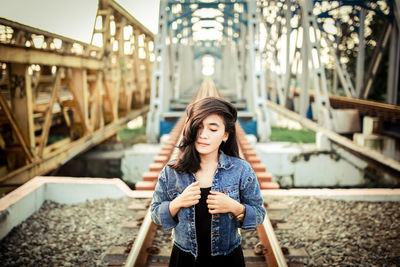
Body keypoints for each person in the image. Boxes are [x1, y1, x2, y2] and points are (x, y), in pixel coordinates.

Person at [150, 96, 266, 267]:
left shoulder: (241, 170)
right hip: (185, 258)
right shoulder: (172, 171)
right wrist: (177, 203)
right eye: (198, 127)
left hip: (228, 259)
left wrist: (234, 207)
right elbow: (155, 214)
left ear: (225, 135)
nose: (203, 135)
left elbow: (259, 214)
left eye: (213, 129)